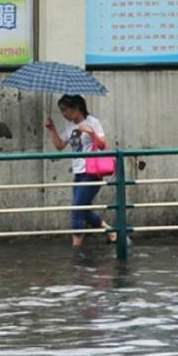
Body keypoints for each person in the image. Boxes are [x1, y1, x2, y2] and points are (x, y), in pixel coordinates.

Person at [45, 94, 119, 247]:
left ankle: (76, 249)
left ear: (76, 108)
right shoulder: (70, 126)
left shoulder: (93, 122)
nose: (64, 114)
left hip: (91, 173)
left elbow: (102, 145)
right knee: (83, 209)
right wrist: (52, 129)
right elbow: (60, 145)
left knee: (77, 209)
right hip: (78, 173)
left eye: (65, 110)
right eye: (61, 111)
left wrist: (91, 132)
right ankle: (111, 232)